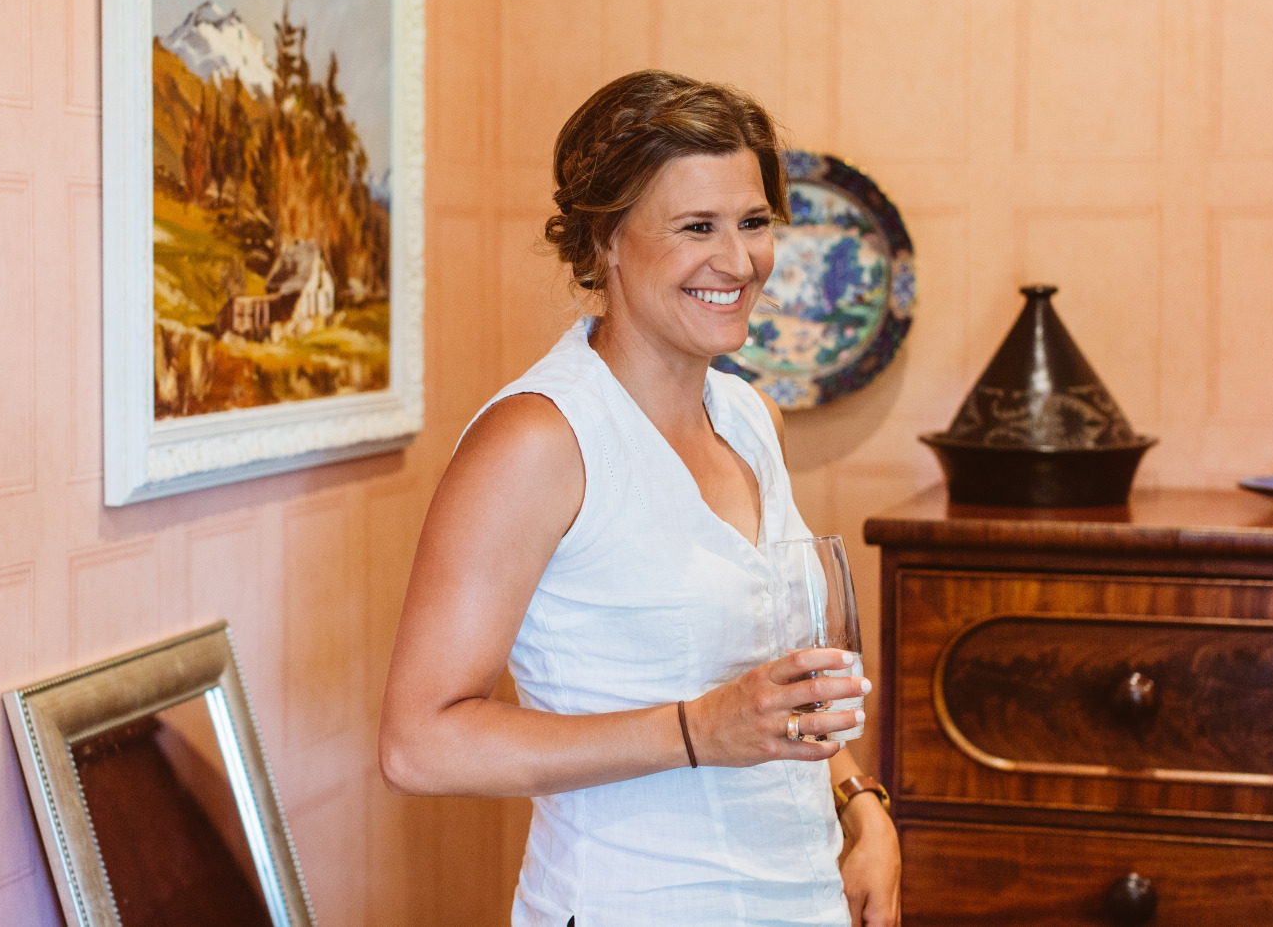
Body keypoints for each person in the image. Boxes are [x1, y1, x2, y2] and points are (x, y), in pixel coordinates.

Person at [380, 69, 902, 926]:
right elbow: (418, 744)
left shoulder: (749, 417)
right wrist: (695, 730)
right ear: (606, 242)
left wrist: (858, 803)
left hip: (802, 899)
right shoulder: (538, 441)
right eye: (697, 226)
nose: (738, 261)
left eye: (754, 222)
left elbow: (780, 676)